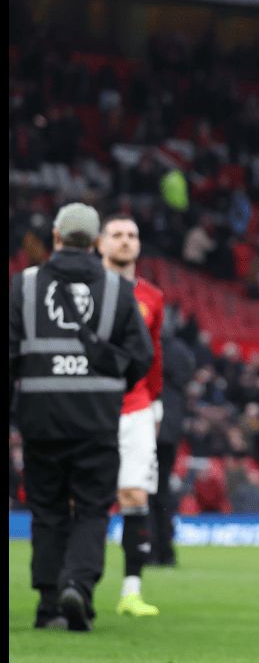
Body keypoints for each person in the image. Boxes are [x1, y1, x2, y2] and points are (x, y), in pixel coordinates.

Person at [9, 203, 153, 631]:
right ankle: (79, 585)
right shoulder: (118, 290)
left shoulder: (23, 287)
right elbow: (141, 357)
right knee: (91, 509)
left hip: (40, 420)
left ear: (56, 236)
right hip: (96, 421)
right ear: (95, 242)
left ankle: (49, 601)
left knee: (48, 510)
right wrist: (111, 388)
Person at [97, 214, 165, 617]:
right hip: (91, 405)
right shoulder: (85, 292)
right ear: (101, 243)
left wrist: (156, 401)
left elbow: (154, 353)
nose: (125, 241)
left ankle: (131, 590)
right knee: (81, 498)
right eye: (118, 235)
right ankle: (75, 580)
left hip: (137, 406)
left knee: (135, 495)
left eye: (132, 235)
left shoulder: (152, 296)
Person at [149, 331, 195, 567]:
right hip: (170, 427)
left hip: (148, 424)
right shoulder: (179, 350)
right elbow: (189, 372)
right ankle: (166, 549)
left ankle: (152, 547)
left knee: (148, 489)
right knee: (162, 489)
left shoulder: (147, 343)